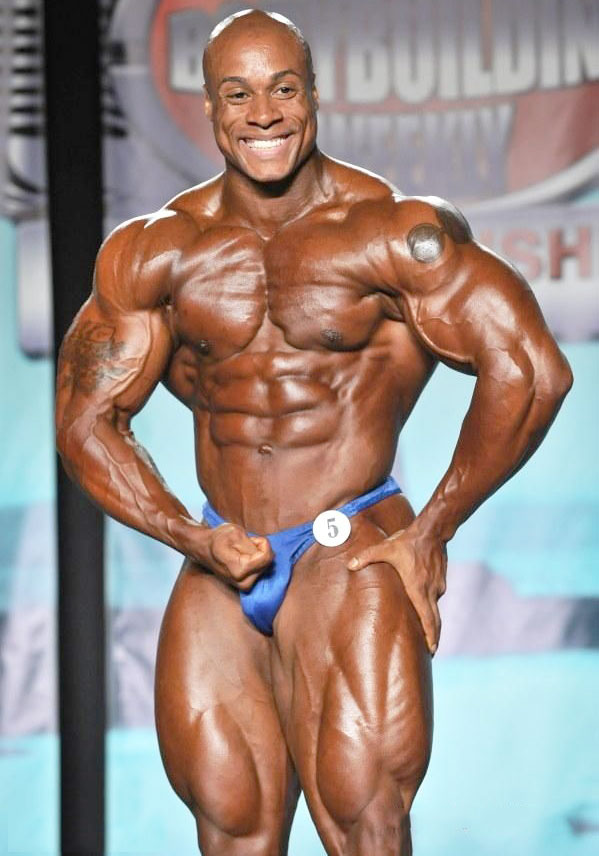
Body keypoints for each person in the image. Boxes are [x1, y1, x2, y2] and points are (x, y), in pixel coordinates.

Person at [55, 9, 573, 855]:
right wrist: (189, 532)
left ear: (313, 95)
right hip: (221, 559)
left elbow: (530, 369)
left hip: (349, 547)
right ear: (210, 106)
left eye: (282, 89)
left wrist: (433, 527)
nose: (263, 112)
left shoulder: (392, 232)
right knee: (231, 825)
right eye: (239, 93)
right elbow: (85, 420)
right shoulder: (156, 251)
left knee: (363, 817)